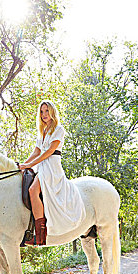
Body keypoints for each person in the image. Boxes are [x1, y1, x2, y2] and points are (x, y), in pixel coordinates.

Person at [18, 101, 86, 245]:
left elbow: (49, 151)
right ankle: (33, 228)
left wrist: (30, 164)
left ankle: (40, 236)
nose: (44, 115)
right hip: (42, 166)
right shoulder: (42, 131)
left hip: (51, 167)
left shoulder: (58, 129)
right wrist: (24, 164)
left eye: (47, 111)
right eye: (42, 112)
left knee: (32, 190)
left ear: (52, 112)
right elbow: (36, 151)